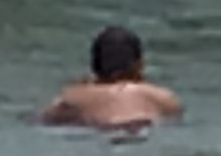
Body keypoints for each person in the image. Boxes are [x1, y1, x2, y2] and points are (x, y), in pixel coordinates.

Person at [40, 25, 182, 131]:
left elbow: (42, 119)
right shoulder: (162, 97)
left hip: (101, 130)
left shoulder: (74, 97)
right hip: (142, 128)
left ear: (94, 66)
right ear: (139, 65)